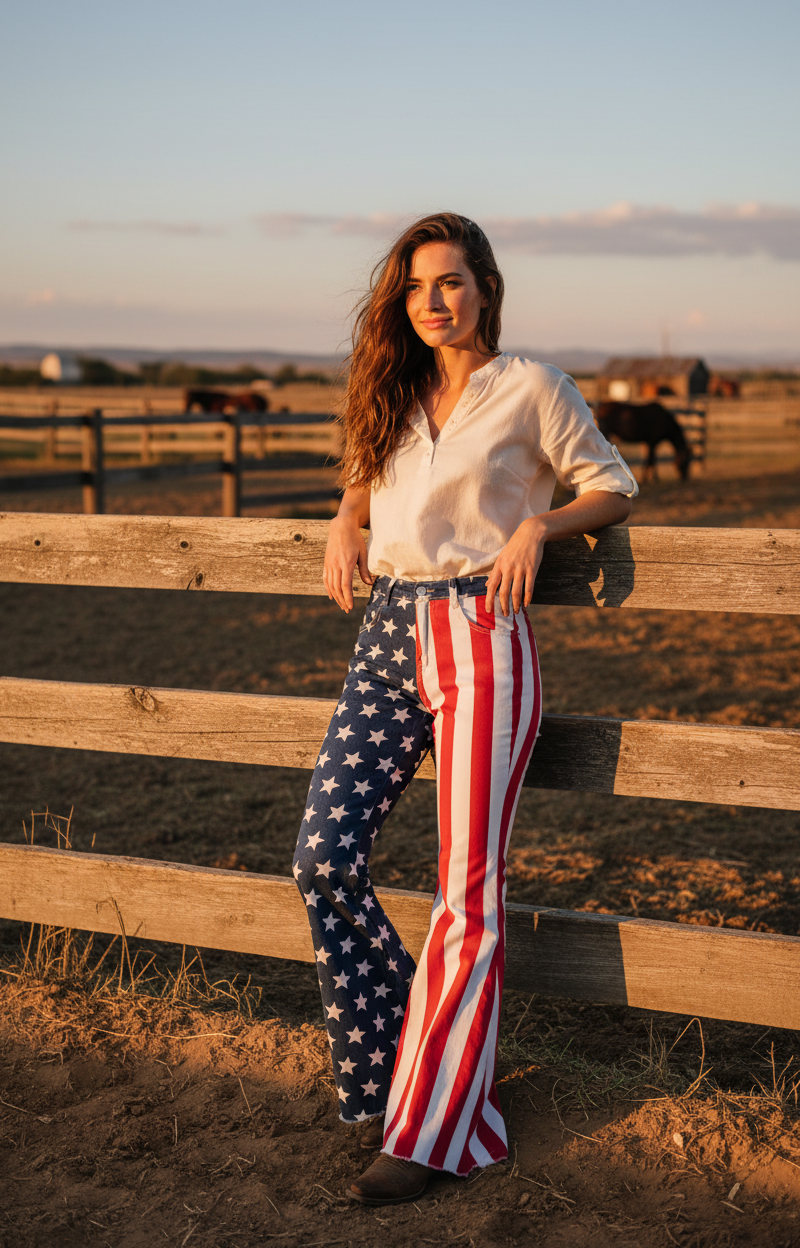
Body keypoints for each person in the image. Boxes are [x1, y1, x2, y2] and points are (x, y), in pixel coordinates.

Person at [292, 212, 637, 1206]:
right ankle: (396, 1068)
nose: (433, 302)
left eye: (450, 283)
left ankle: (441, 1132)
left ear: (485, 286)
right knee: (322, 857)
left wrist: (540, 522)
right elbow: (369, 476)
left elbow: (610, 485)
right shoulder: (393, 393)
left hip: (484, 636)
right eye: (415, 289)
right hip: (387, 636)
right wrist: (345, 518)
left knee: (465, 894)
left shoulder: (532, 387)